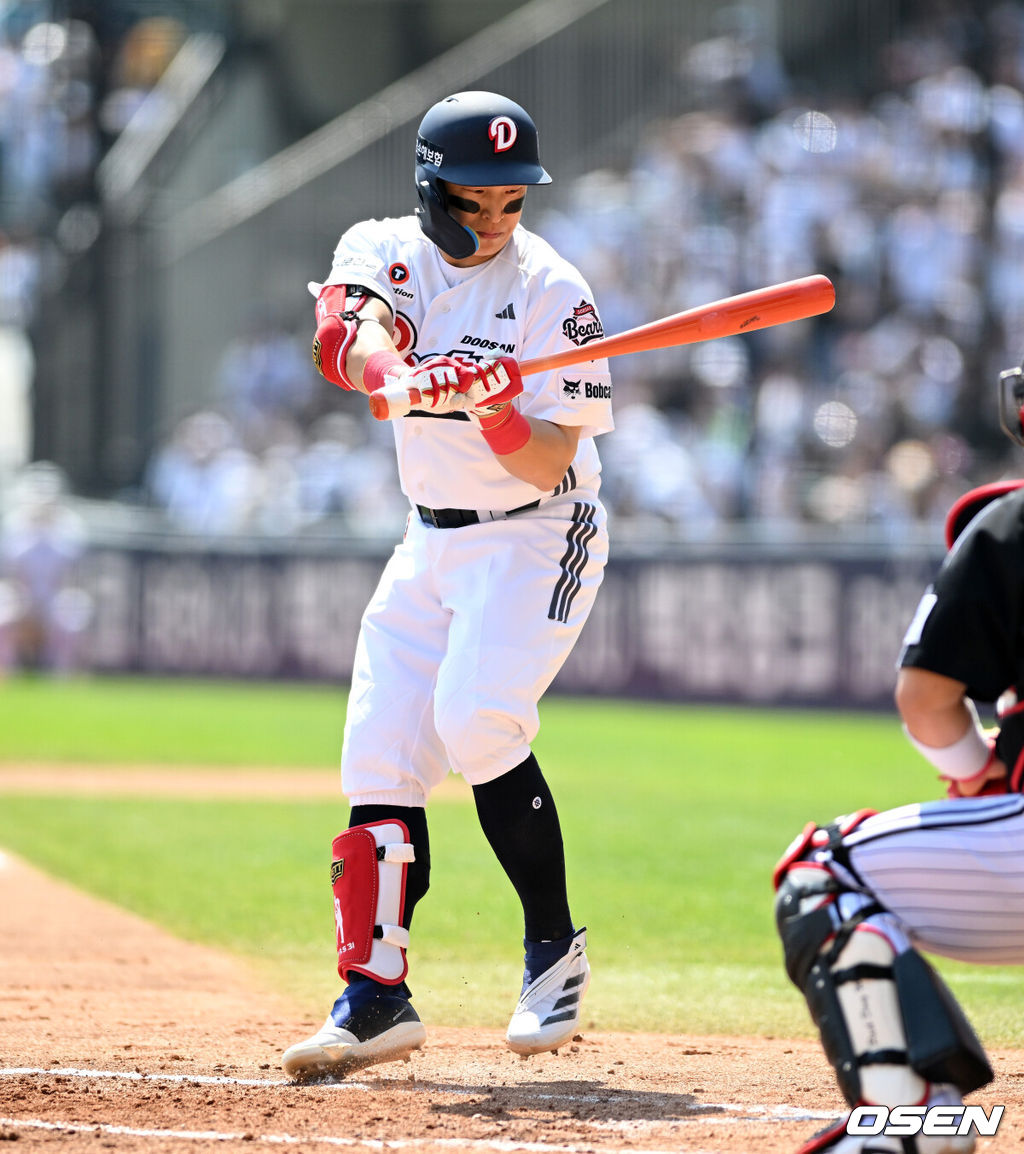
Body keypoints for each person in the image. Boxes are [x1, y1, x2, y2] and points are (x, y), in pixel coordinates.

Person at [281, 91, 614, 1080]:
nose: (498, 221)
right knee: (378, 750)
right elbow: (346, 336)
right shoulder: (382, 246)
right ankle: (374, 997)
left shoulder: (557, 293)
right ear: (431, 190)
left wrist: (500, 410)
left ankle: (553, 952)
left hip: (537, 530)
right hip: (428, 538)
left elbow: (551, 459)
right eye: (477, 200)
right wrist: (407, 373)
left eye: (512, 201)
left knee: (475, 719)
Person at [771, 360, 1024, 1153]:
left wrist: (973, 770)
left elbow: (925, 696)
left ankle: (911, 1118)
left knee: (821, 873)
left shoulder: (1011, 524)